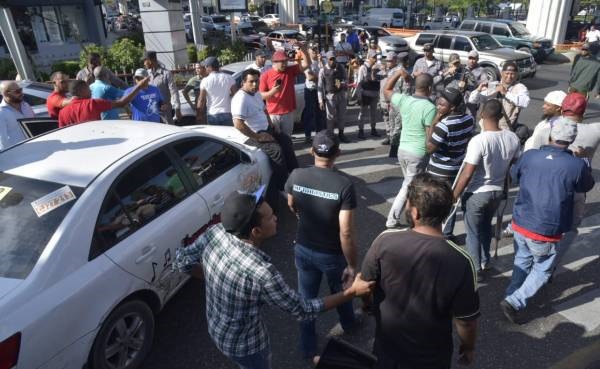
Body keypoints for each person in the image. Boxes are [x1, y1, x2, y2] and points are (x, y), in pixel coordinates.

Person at [172, 187, 374, 369]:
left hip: (217, 328)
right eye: (270, 217)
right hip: (247, 345)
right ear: (256, 231)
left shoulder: (216, 232)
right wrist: (352, 292)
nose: (276, 217)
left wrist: (211, 274)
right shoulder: (261, 272)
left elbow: (181, 260)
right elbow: (303, 309)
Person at [360, 173, 479, 369]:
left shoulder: (384, 241)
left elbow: (365, 286)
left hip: (387, 349)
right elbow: (466, 321)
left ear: (414, 213)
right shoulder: (461, 261)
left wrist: (368, 306)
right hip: (432, 357)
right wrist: (468, 347)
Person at [501, 118, 594, 324]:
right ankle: (514, 301)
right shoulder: (576, 165)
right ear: (571, 140)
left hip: (521, 220)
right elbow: (585, 186)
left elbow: (515, 176)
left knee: (522, 260)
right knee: (542, 269)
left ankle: (511, 293)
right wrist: (583, 161)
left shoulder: (531, 155)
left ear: (552, 135)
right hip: (547, 227)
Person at [285, 131, 359, 359]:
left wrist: (301, 216)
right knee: (341, 290)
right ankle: (349, 324)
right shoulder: (344, 185)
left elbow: (291, 203)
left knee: (306, 299)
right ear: (338, 153)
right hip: (332, 253)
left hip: (304, 247)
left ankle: (308, 347)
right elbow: (345, 231)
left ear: (311, 151)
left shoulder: (297, 175)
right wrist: (352, 265)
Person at [452, 100, 520, 282]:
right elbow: (514, 162)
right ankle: (485, 261)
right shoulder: (512, 137)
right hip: (498, 192)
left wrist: (454, 195)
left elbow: (467, 173)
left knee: (472, 232)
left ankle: (475, 269)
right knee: (484, 228)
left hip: (477, 192)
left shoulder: (479, 140)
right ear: (500, 116)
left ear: (482, 114)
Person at [231, 69, 298, 207]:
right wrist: (258, 136)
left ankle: (295, 176)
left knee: (286, 141)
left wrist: (272, 124)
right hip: (253, 134)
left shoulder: (255, 94)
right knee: (277, 151)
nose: (255, 84)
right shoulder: (240, 98)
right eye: (251, 82)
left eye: (257, 81)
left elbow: (264, 110)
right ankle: (283, 187)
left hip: (267, 128)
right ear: (243, 82)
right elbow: (238, 124)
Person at [384, 71, 436, 229]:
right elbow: (429, 136)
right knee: (407, 186)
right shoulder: (430, 107)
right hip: (418, 153)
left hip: (403, 150)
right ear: (429, 88)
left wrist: (399, 73)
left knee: (410, 185)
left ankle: (411, 214)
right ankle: (392, 220)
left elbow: (386, 90)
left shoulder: (404, 99)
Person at [556, 93, 600, 265]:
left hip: (553, 184)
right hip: (578, 188)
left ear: (561, 109)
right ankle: (552, 264)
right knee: (571, 228)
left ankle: (539, 262)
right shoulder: (594, 130)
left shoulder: (548, 127)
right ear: (583, 112)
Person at [426, 87, 474, 238]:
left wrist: (434, 123)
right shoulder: (469, 119)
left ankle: (434, 232)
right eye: (438, 103)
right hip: (456, 168)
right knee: (451, 199)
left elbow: (429, 148)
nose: (437, 107)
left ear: (452, 107)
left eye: (441, 105)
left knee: (435, 201)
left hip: (439, 170)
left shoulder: (444, 125)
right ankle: (447, 232)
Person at [468, 61, 530, 142]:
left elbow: (525, 103)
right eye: (507, 73)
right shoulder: (492, 85)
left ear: (516, 75)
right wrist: (478, 90)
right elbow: (472, 100)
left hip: (505, 132)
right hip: (487, 130)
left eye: (512, 74)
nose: (509, 76)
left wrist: (506, 93)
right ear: (501, 73)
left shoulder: (520, 88)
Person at [259, 47, 312, 136]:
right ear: (274, 62)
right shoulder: (265, 76)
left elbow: (307, 63)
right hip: (272, 114)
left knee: (287, 139)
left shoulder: (290, 70)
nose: (285, 64)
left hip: (288, 113)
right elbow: (261, 96)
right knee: (275, 140)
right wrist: (273, 91)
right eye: (282, 62)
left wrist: (302, 48)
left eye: (286, 61)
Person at [58, 78, 148, 127]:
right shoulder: (92, 104)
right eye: (88, 88)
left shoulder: (62, 113)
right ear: (81, 91)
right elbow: (122, 103)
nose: (90, 90)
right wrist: (139, 86)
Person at [197, 56, 238, 126]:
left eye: (206, 66)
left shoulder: (205, 81)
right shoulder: (229, 78)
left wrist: (199, 115)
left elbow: (201, 99)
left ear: (210, 67)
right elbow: (236, 96)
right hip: (227, 112)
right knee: (229, 136)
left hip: (212, 114)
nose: (205, 68)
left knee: (215, 136)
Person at [143, 51, 181, 124]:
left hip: (165, 112)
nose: (144, 63)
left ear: (150, 60)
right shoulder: (146, 74)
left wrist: (177, 108)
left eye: (145, 60)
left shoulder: (166, 74)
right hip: (151, 112)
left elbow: (174, 92)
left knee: (168, 131)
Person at [318, 51, 349, 143]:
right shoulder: (323, 70)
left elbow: (345, 79)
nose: (332, 61)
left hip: (341, 94)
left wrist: (342, 84)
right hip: (330, 96)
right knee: (330, 117)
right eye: (330, 59)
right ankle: (330, 135)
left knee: (342, 116)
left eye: (334, 59)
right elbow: (320, 86)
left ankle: (341, 134)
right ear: (327, 59)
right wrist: (320, 100)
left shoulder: (341, 67)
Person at [0, 81, 34, 150]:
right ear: (6, 94)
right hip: (18, 152)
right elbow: (2, 141)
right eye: (17, 91)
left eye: (21, 90)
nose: (21, 93)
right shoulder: (1, 112)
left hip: (35, 146)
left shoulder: (26, 105)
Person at [356, 50, 382, 139]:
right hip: (365, 94)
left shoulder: (377, 67)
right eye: (373, 57)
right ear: (369, 58)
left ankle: (373, 129)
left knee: (373, 113)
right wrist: (360, 95)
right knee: (362, 113)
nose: (375, 59)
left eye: (375, 57)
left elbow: (379, 79)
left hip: (374, 93)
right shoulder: (363, 68)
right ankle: (361, 131)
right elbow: (359, 82)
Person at [302, 46, 325, 143]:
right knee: (309, 114)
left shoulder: (320, 62)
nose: (316, 52)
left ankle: (319, 134)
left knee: (320, 113)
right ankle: (307, 135)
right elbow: (310, 77)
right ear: (309, 52)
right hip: (310, 91)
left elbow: (326, 73)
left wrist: (321, 62)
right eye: (313, 50)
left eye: (316, 50)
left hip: (319, 90)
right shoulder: (307, 62)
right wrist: (320, 76)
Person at [463, 51, 489, 119]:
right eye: (470, 58)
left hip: (473, 95)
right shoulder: (464, 68)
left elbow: (485, 85)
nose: (472, 61)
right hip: (463, 95)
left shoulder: (481, 70)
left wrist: (474, 81)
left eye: (474, 59)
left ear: (477, 59)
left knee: (470, 116)